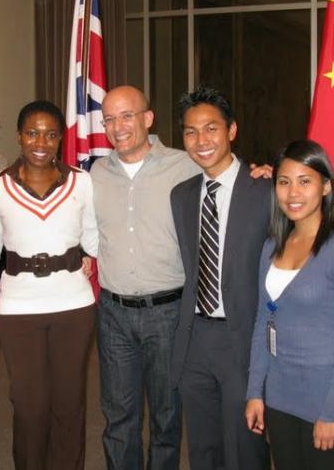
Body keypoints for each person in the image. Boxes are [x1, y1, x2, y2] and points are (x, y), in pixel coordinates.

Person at [0, 100, 98, 470]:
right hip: (17, 310)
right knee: (30, 404)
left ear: (61, 138)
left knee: (68, 402)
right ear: (19, 135)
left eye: (49, 134)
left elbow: (93, 238)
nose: (40, 142)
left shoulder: (81, 180)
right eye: (32, 132)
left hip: (74, 306)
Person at [91, 85, 200, 470]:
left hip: (167, 313)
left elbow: (230, 181)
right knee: (118, 418)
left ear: (147, 119)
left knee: (166, 417)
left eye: (126, 116)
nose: (117, 127)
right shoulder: (96, 173)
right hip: (114, 314)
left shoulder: (186, 166)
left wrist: (262, 172)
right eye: (109, 119)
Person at [244, 140, 334, 469]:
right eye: (284, 182)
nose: (293, 193)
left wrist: (332, 411)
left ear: (326, 187)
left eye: (305, 181)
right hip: (281, 392)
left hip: (328, 395)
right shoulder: (272, 245)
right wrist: (255, 391)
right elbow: (262, 323)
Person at [169, 87, 271, 470]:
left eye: (211, 128)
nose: (201, 141)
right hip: (195, 337)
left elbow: (327, 209)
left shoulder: (265, 189)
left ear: (232, 130)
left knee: (245, 448)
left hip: (243, 338)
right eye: (191, 132)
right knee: (203, 447)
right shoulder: (181, 195)